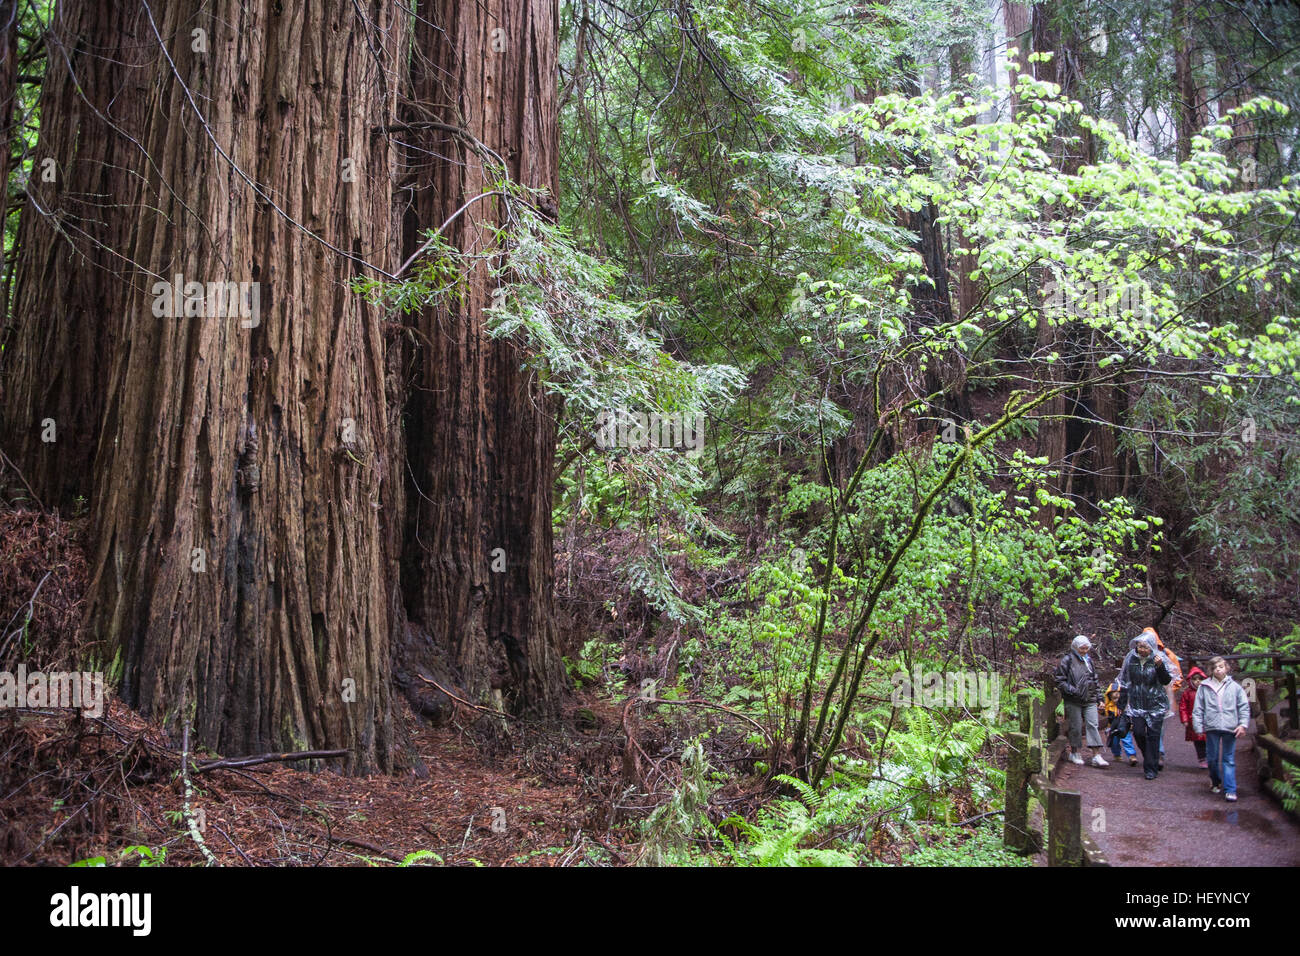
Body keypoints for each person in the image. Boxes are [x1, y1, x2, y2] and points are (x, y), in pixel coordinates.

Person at [1119, 627, 1180, 768]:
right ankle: (1150, 756)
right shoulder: (1131, 659)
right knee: (1139, 733)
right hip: (1137, 704)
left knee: (1154, 736)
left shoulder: (1159, 659)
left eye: (1145, 647)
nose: (1142, 650)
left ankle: (1150, 768)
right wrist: (1122, 705)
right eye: (1140, 646)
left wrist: (1160, 667)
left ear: (1152, 647)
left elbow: (1166, 681)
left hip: (1155, 704)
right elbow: (1124, 681)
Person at [1193, 656, 1251, 802]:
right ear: (1210, 670)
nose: (1218, 669)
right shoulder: (1204, 686)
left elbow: (1243, 706)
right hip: (1212, 726)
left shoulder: (1235, 687)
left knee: (1228, 759)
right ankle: (1215, 779)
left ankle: (1230, 789)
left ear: (1226, 668)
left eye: (1220, 666)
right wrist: (1198, 726)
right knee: (1212, 758)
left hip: (1230, 726)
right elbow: (1198, 708)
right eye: (1214, 667)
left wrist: (1243, 724)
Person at [1054, 635, 1109, 767]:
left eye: (1086, 648)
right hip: (1073, 700)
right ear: (1075, 647)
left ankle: (1096, 755)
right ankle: (1075, 752)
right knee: (1076, 726)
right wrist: (1073, 690)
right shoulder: (1067, 661)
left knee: (1093, 724)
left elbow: (1094, 680)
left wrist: (1100, 698)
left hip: (1090, 698)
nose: (1084, 651)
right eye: (1081, 649)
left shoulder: (1089, 661)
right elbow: (1059, 680)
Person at [1179, 666, 1208, 768]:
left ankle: (1209, 757)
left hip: (1207, 720)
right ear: (1190, 680)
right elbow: (1183, 707)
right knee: (1198, 741)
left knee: (1208, 739)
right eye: (1195, 679)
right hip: (1193, 721)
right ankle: (1202, 758)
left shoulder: (1207, 691)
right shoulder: (1187, 693)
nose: (1197, 682)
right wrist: (1185, 719)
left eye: (1199, 679)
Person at [1103, 676, 1136, 763]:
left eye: (1118, 696)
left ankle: (1132, 755)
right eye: (1114, 696)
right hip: (1113, 727)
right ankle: (1117, 754)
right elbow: (1105, 714)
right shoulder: (1109, 706)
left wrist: (1131, 724)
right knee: (1114, 742)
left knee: (1127, 740)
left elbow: (1129, 715)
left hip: (1124, 727)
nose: (1116, 698)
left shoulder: (1124, 707)